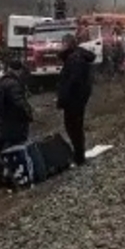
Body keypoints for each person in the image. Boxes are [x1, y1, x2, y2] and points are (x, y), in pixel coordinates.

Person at [56, 33, 95, 166]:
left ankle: (79, 156)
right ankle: (78, 154)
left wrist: (63, 99)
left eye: (63, 43)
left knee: (73, 128)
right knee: (74, 127)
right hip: (77, 99)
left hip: (74, 101)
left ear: (68, 44)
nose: (61, 46)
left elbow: (73, 82)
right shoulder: (76, 57)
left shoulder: (75, 59)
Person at [0, 58, 33, 150]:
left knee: (1, 146)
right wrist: (29, 114)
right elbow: (19, 103)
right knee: (16, 148)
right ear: (19, 70)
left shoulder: (1, 81)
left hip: (3, 121)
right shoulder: (13, 84)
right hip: (15, 124)